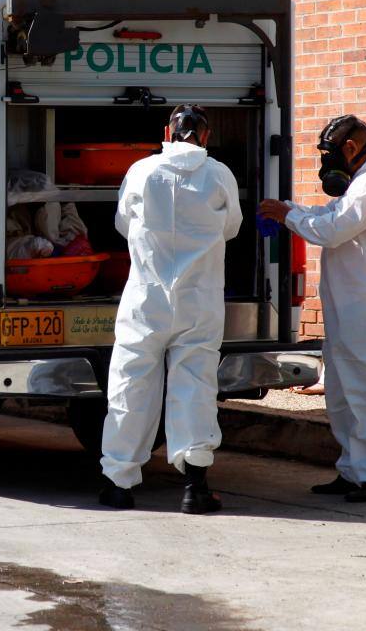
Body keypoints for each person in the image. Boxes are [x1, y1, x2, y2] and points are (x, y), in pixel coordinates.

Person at [100, 105, 242, 513]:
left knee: (131, 384)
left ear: (167, 132)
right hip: (200, 299)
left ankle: (118, 483)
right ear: (206, 136)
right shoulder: (219, 175)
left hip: (146, 298)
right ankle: (194, 488)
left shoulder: (142, 172)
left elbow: (123, 223)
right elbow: (231, 227)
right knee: (195, 387)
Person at [258, 115, 366, 503]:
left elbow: (332, 230)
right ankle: (354, 469)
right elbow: (328, 215)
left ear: (351, 150)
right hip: (349, 302)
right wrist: (288, 208)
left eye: (329, 154)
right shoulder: (361, 184)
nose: (326, 163)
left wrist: (287, 216)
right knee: (342, 390)